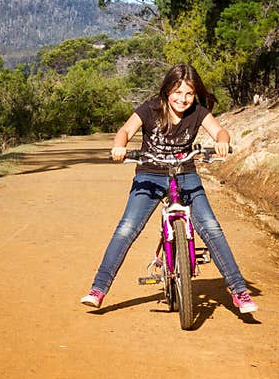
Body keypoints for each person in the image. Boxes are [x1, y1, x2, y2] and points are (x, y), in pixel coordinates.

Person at [80, 62, 258, 314]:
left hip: (185, 173)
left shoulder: (198, 111)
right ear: (167, 91)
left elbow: (220, 131)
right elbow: (125, 130)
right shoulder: (151, 108)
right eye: (177, 92)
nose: (183, 99)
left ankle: (239, 291)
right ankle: (98, 288)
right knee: (127, 228)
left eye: (188, 93)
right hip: (150, 174)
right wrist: (119, 147)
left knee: (211, 227)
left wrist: (222, 143)